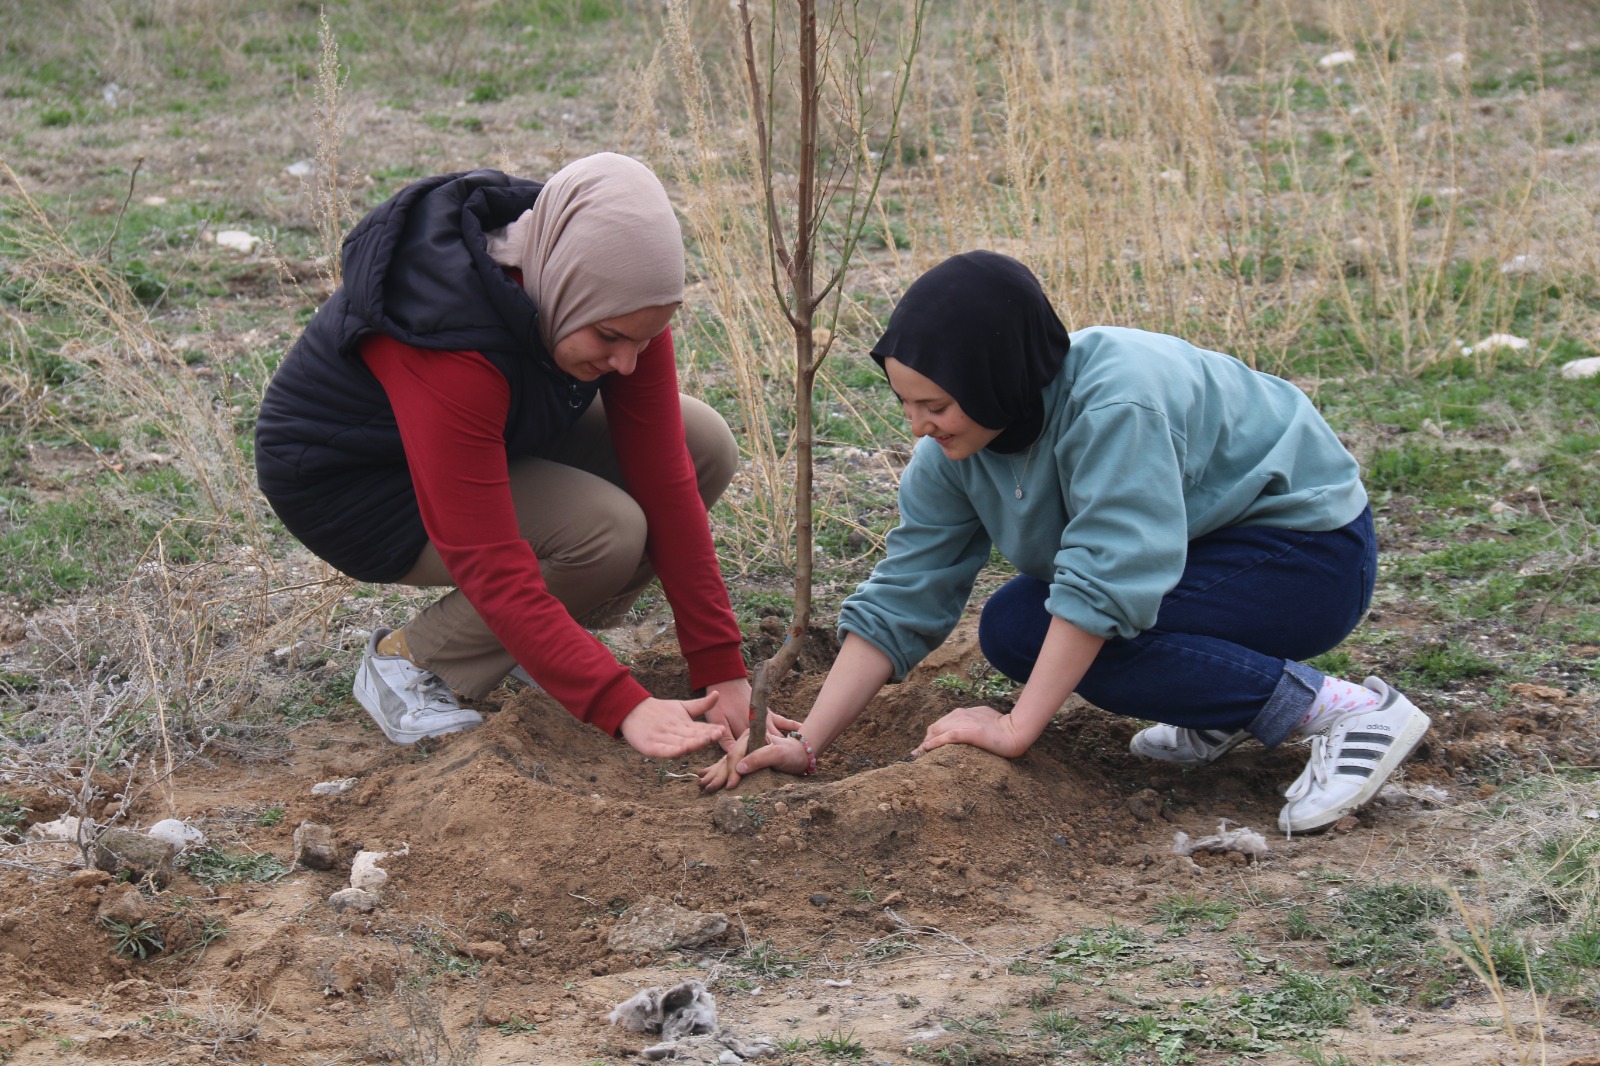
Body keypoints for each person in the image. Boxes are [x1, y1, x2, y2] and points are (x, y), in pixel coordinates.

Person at [700, 250, 1430, 834]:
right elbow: (905, 593)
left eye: (937, 404)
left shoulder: (1115, 403)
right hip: (1202, 553)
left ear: (997, 379)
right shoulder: (952, 456)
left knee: (1067, 636)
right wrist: (809, 740)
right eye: (905, 404)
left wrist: (1017, 726)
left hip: (1307, 555)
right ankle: (1222, 704)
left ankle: (1345, 712)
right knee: (1017, 626)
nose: (917, 426)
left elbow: (1109, 576)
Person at [256, 153, 769, 760]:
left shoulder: (613, 296)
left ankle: (539, 646)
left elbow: (665, 473)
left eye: (646, 338)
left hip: (497, 432)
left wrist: (721, 668)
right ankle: (411, 665)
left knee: (701, 443)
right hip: (356, 486)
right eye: (611, 339)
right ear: (566, 283)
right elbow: (490, 559)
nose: (628, 362)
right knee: (605, 531)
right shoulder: (449, 337)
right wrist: (620, 704)